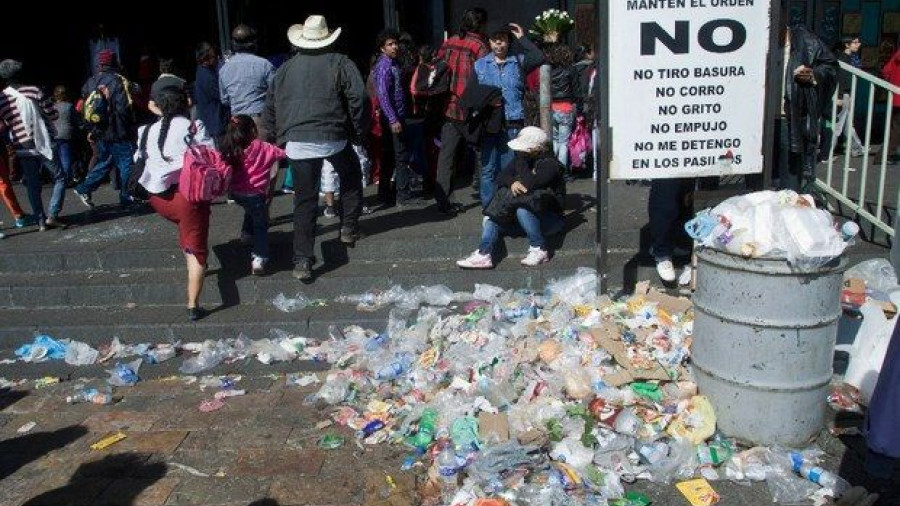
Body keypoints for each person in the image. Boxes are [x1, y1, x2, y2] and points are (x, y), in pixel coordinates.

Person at [263, 15, 367, 282]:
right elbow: (359, 98)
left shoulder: (284, 69)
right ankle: (348, 227)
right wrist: (357, 131)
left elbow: (270, 107)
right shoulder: (341, 62)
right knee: (351, 176)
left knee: (304, 200)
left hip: (297, 141)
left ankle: (302, 260)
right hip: (333, 135)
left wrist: (276, 137)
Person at [136, 86, 215, 321]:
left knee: (186, 233)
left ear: (158, 105)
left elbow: (139, 159)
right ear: (186, 102)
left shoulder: (146, 130)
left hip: (157, 198)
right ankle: (193, 304)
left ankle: (192, 261)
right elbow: (210, 155)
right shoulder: (193, 126)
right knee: (196, 251)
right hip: (187, 196)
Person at [456, 127, 565, 269]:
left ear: (536, 149)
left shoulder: (550, 165)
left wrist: (521, 162)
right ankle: (483, 254)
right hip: (526, 216)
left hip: (550, 218)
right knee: (492, 220)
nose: (519, 152)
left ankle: (539, 249)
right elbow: (501, 177)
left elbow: (529, 185)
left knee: (522, 210)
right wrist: (512, 182)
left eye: (523, 150)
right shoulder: (524, 158)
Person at [472, 22, 544, 208]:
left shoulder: (518, 61)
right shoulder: (480, 65)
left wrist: (522, 38)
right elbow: (472, 94)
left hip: (513, 123)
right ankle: (488, 210)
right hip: (488, 124)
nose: (499, 44)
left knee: (509, 169)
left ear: (508, 42)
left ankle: (505, 207)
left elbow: (539, 56)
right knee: (487, 169)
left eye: (502, 40)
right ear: (489, 42)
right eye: (495, 41)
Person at [434, 7, 490, 215]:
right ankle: (487, 199)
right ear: (481, 24)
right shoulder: (479, 47)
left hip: (449, 106)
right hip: (470, 109)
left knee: (446, 156)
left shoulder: (449, 42)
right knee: (483, 153)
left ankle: (443, 201)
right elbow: (485, 79)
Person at [0, 59, 66, 229]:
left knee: (33, 184)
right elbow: (52, 115)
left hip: (22, 146)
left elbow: (4, 125)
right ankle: (53, 213)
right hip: (43, 142)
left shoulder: (2, 98)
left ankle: (40, 220)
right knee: (59, 177)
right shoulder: (34, 90)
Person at [221, 114, 285, 276]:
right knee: (261, 225)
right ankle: (259, 258)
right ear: (253, 130)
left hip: (235, 193)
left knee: (251, 210)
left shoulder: (229, 147)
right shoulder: (263, 147)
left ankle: (246, 234)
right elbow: (282, 154)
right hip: (256, 194)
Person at [74, 48, 137, 208]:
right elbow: (124, 108)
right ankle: (126, 195)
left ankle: (83, 188)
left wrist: (91, 129)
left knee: (106, 161)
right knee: (126, 163)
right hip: (118, 130)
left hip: (100, 131)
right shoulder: (118, 80)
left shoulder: (90, 82)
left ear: (100, 63)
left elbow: (84, 107)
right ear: (114, 62)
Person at [782, 24, 837, 192]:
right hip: (760, 120)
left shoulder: (806, 40)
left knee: (790, 179)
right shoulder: (755, 41)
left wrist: (813, 74)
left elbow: (831, 67)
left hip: (791, 117)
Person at [372, 29, 416, 206]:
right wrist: (393, 119)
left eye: (395, 43)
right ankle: (402, 195)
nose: (395, 47)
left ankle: (385, 194)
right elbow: (383, 94)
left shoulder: (393, 63)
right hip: (393, 117)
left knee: (390, 155)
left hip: (396, 115)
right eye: (390, 44)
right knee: (400, 156)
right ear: (382, 48)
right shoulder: (384, 66)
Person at [219, 24, 274, 139]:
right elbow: (276, 93)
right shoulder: (264, 65)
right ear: (253, 43)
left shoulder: (224, 69)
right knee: (263, 156)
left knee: (241, 156)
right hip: (258, 121)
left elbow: (224, 100)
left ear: (233, 44)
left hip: (236, 124)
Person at [831, 36, 867, 158]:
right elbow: (841, 80)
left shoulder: (849, 58)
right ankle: (828, 152)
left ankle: (856, 148)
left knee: (846, 124)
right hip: (842, 95)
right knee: (838, 125)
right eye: (855, 42)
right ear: (847, 45)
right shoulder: (842, 59)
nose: (859, 44)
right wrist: (840, 96)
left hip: (846, 94)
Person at [547, 43, 579, 175]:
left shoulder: (549, 70)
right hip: (566, 107)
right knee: (564, 142)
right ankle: (561, 171)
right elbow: (577, 90)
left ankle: (551, 167)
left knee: (554, 140)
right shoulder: (571, 70)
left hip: (551, 107)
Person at [194, 42, 230, 147]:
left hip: (215, 121)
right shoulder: (206, 76)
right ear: (206, 59)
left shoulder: (205, 71)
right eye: (214, 57)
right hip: (216, 123)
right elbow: (221, 96)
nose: (217, 59)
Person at [52, 85, 78, 186]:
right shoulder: (69, 106)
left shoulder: (52, 106)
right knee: (65, 157)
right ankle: (66, 179)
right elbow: (76, 120)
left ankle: (57, 178)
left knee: (56, 158)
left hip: (54, 133)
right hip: (66, 133)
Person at [882, 46, 900, 164]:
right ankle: (886, 154)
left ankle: (886, 154)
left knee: (895, 127)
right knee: (896, 128)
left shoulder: (896, 56)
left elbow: (885, 71)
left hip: (895, 96)